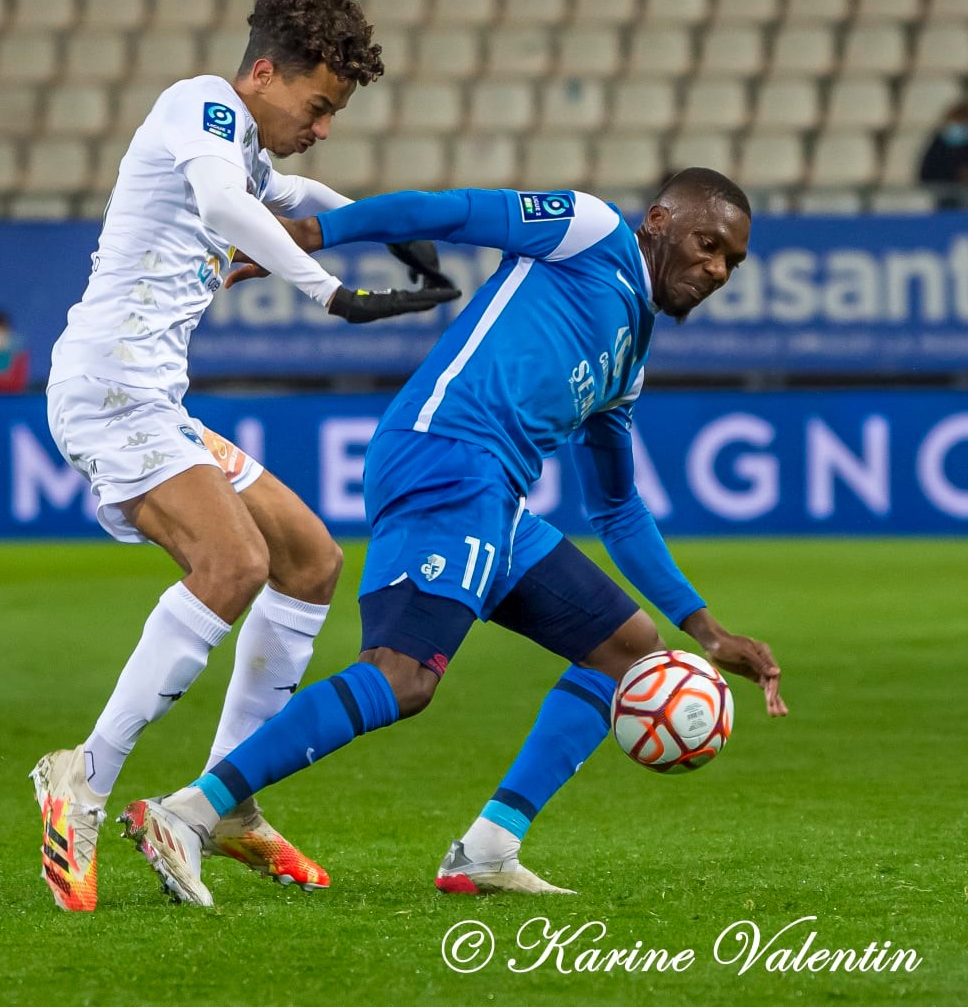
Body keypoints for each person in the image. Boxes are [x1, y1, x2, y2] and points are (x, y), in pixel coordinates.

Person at [120, 170, 789, 907]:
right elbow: (453, 211)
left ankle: (489, 849)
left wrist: (706, 629)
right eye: (708, 244)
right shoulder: (590, 232)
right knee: (402, 676)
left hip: (494, 495)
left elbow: (617, 507)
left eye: (732, 261)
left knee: (629, 651)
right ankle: (193, 811)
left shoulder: (630, 354)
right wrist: (312, 234)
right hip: (447, 455)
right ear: (659, 220)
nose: (717, 269)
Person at [32, 0, 458, 913]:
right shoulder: (202, 106)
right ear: (263, 73)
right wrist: (331, 294)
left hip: (156, 401)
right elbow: (228, 204)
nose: (323, 127)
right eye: (318, 105)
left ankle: (225, 801)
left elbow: (294, 196)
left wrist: (394, 236)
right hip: (110, 390)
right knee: (232, 564)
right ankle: (83, 781)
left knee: (309, 560)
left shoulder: (244, 148)